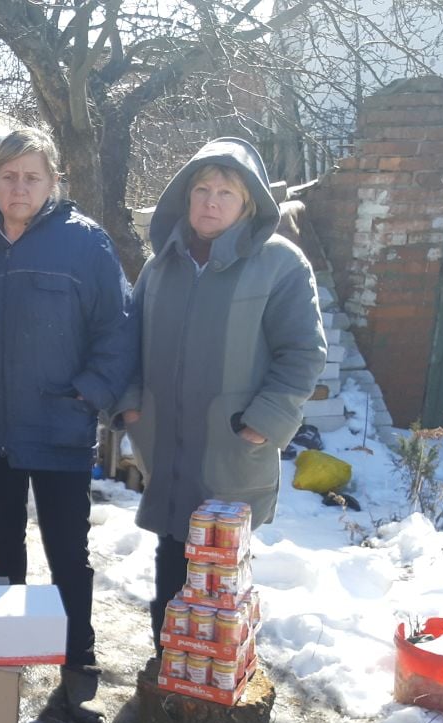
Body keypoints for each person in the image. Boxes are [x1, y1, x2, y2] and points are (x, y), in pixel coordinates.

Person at [0, 128, 136, 723]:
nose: (19, 187)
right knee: (4, 549)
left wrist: (89, 395)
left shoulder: (85, 246)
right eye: (9, 175)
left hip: (59, 428)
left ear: (52, 183)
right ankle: (5, 667)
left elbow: (118, 330)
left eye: (32, 176)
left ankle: (79, 667)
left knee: (69, 553)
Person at [117, 138, 326, 644]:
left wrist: (266, 421)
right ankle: (168, 667)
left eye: (225, 193)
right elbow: (128, 342)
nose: (211, 202)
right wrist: (128, 406)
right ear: (186, 198)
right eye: (202, 189)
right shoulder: (160, 265)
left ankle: (215, 680)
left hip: (233, 445)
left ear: (248, 204)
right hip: (166, 444)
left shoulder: (280, 264)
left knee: (220, 570)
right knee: (171, 559)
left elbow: (302, 352)